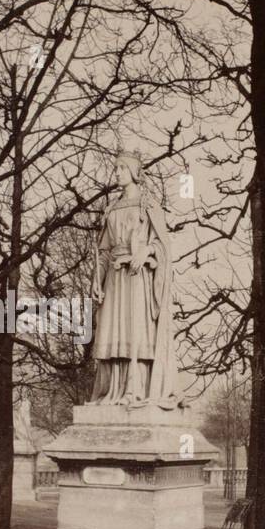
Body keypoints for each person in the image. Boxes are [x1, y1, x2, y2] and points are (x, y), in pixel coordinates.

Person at [90, 151, 179, 408]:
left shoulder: (148, 205)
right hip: (114, 282)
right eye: (115, 168)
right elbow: (104, 252)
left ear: (133, 172)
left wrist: (146, 251)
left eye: (121, 168)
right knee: (112, 332)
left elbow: (163, 246)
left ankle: (136, 389)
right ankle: (113, 391)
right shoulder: (111, 210)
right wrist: (97, 280)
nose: (116, 172)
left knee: (136, 333)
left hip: (137, 277)